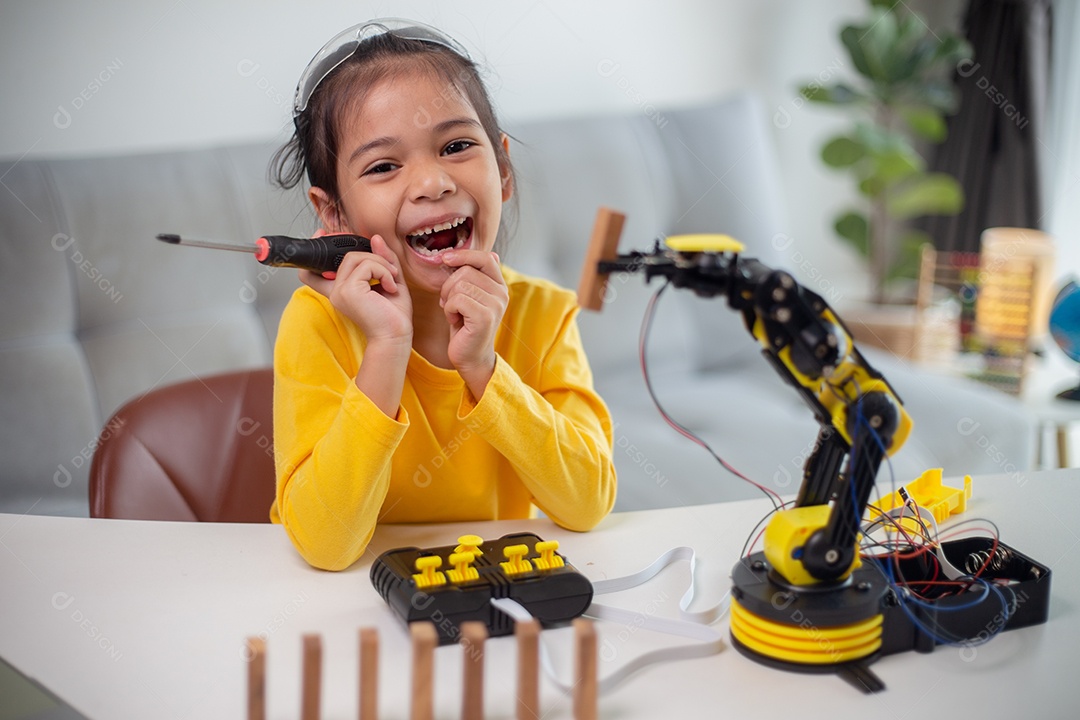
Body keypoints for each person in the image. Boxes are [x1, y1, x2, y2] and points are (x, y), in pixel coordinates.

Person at [268, 19, 617, 570]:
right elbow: (327, 546)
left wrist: (483, 367)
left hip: (495, 607)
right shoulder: (317, 322)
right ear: (333, 213)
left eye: (456, 146)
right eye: (384, 166)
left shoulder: (545, 314)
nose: (433, 183)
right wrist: (386, 346)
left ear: (502, 171)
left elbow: (587, 502)